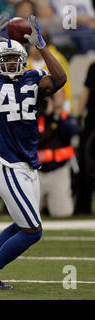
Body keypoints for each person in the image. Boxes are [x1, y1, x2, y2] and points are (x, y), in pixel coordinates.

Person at [0, 15, 67, 289]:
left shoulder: (33, 77)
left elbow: (61, 78)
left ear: (23, 60)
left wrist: (41, 46)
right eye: (4, 59)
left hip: (29, 165)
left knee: (23, 225)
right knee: (33, 231)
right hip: (9, 166)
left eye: (13, 59)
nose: (9, 63)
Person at [38, 89, 79, 217]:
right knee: (27, 213)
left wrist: (55, 116)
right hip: (37, 171)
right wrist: (46, 114)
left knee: (63, 213)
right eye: (51, 95)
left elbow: (70, 132)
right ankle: (43, 204)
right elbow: (37, 138)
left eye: (57, 95)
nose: (54, 98)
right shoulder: (39, 118)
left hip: (59, 169)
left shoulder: (68, 118)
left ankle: (48, 205)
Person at [74, 62, 95, 215]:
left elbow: (85, 92)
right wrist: (78, 116)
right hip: (91, 122)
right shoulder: (93, 67)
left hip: (91, 123)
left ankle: (83, 205)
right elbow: (85, 92)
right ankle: (83, 205)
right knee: (85, 165)